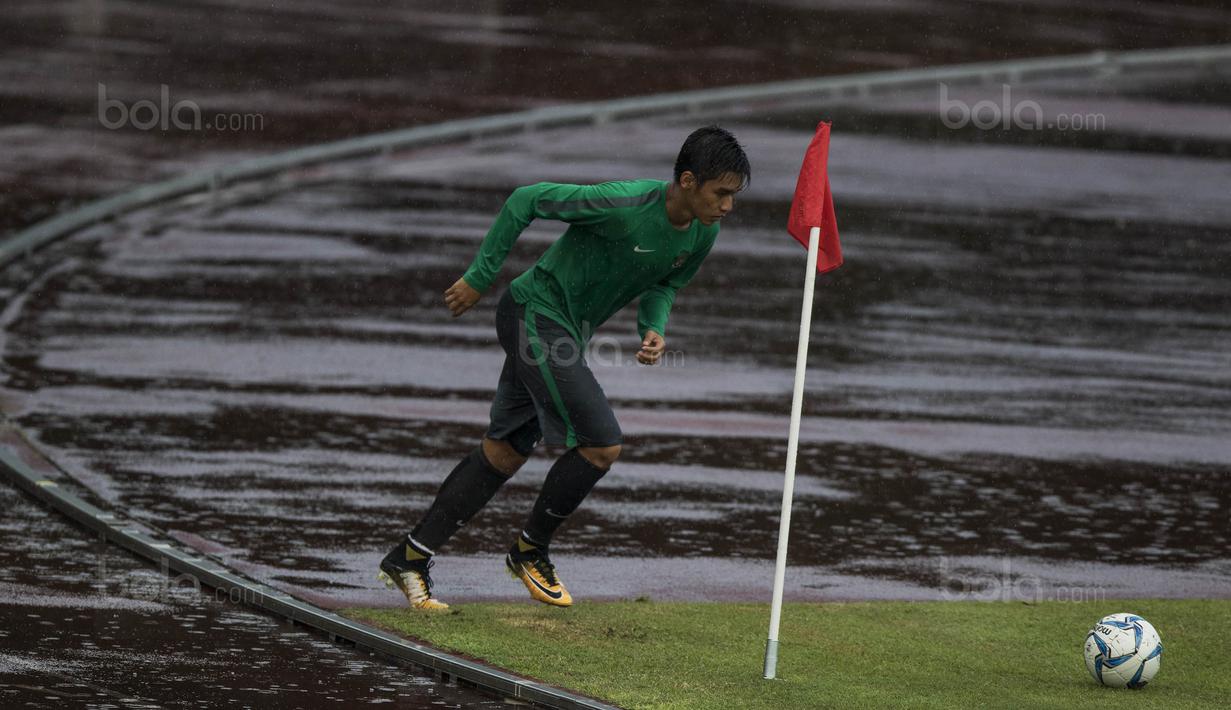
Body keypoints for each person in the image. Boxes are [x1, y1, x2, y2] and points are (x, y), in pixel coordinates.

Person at [377, 125, 750, 610]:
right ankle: (530, 551)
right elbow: (526, 198)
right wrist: (480, 276)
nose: (727, 206)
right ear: (686, 181)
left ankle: (409, 558)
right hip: (534, 314)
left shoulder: (704, 232)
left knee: (504, 452)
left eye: (733, 196)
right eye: (720, 193)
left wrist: (653, 326)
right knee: (601, 443)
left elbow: (668, 281)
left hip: (564, 331)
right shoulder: (622, 204)